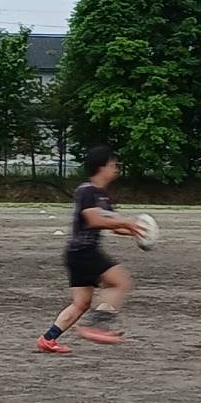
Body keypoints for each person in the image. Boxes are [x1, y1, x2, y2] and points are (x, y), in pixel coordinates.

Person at [36, 146, 145, 354]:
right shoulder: (87, 191)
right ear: (101, 167)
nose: (116, 169)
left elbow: (114, 225)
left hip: (78, 253)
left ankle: (48, 339)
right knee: (120, 282)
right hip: (84, 252)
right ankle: (98, 325)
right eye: (113, 165)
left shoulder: (102, 195)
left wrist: (136, 231)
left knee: (81, 303)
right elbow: (94, 220)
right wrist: (126, 223)